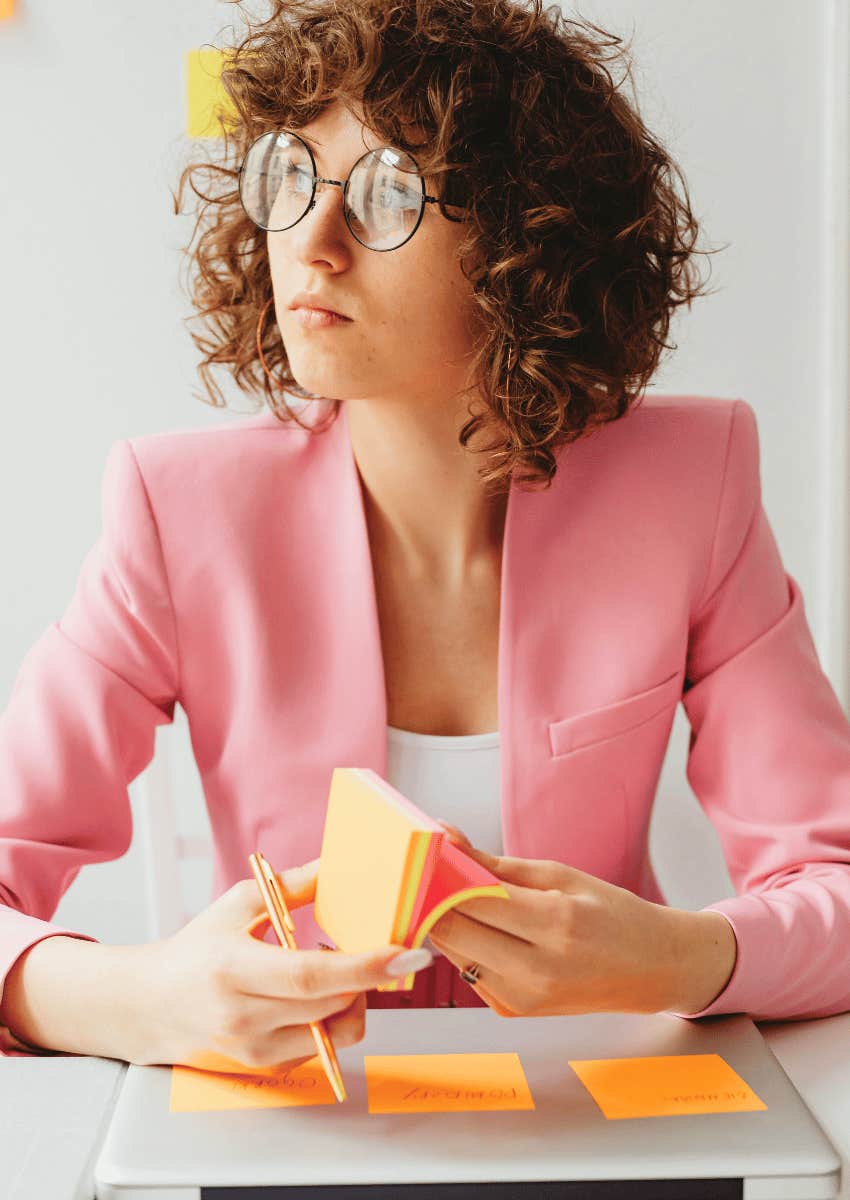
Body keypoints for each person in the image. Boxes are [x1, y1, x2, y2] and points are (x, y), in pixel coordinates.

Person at [2, 0, 850, 1076]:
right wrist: (137, 999)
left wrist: (684, 958)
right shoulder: (179, 511)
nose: (311, 244)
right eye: (290, 178)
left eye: (389, 193)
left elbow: (835, 888)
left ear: (524, 245)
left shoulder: (691, 485)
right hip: (304, 1123)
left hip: (598, 1114)